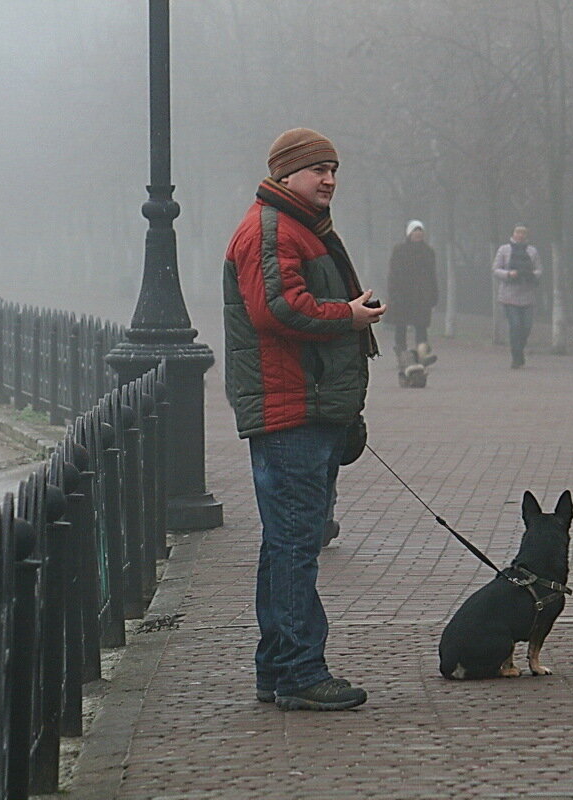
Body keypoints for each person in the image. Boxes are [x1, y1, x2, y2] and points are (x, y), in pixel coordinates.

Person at [223, 127, 385, 711]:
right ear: (285, 173)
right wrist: (349, 314)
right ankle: (298, 671)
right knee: (295, 544)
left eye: (334, 169)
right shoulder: (271, 229)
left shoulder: (294, 228)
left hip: (304, 407)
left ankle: (278, 668)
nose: (329, 179)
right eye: (318, 169)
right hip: (291, 409)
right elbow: (280, 307)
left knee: (287, 543)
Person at [387, 220, 439, 387]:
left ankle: (421, 356)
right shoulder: (400, 251)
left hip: (422, 297)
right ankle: (402, 355)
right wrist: (394, 293)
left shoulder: (428, 252)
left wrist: (433, 294)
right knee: (400, 327)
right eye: (415, 231)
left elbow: (432, 275)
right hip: (402, 295)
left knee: (421, 327)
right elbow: (393, 273)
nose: (418, 234)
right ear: (409, 234)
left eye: (420, 231)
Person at [492, 225, 543, 368]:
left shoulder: (532, 251)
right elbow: (495, 269)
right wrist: (509, 274)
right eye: (517, 232)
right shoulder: (504, 250)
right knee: (515, 325)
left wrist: (533, 275)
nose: (520, 235)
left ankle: (519, 350)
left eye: (523, 233)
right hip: (509, 295)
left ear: (526, 235)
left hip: (527, 294)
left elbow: (539, 269)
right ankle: (516, 357)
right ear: (513, 234)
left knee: (526, 327)